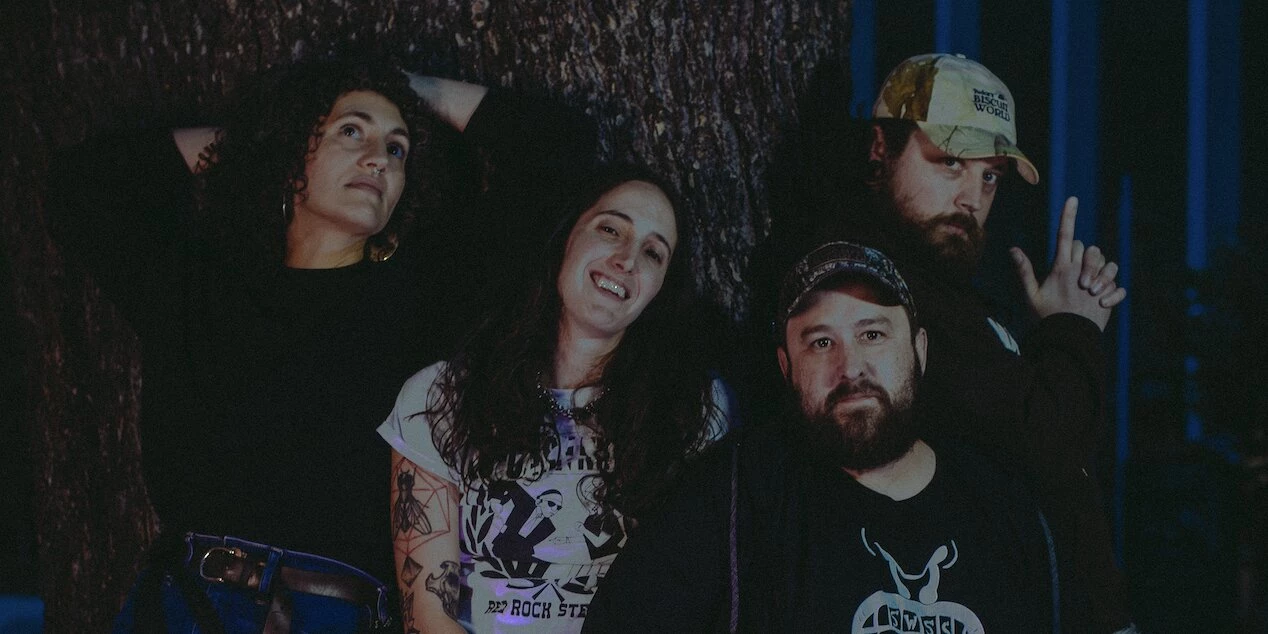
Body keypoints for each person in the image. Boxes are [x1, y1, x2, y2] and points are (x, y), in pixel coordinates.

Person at [45, 52, 596, 630]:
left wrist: (404, 85)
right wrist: (267, 132)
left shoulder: (427, 299)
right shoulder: (200, 287)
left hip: (329, 612)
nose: (377, 157)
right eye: (351, 131)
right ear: (291, 163)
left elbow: (557, 148)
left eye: (398, 148)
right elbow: (81, 185)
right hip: (184, 605)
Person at [758, 53, 1133, 631]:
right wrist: (1072, 327)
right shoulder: (873, 288)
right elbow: (1046, 440)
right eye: (951, 162)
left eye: (990, 176)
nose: (971, 198)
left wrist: (1052, 328)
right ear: (880, 148)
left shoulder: (945, 287)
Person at [584, 241, 1063, 631]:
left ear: (919, 351)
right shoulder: (739, 494)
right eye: (821, 342)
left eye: (872, 334)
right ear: (786, 367)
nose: (850, 367)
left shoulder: (1004, 511)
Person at [379, 165, 730, 633]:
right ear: (566, 236)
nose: (627, 259)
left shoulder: (693, 411)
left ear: (661, 289)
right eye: (611, 229)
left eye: (653, 253)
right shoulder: (442, 396)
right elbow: (427, 617)